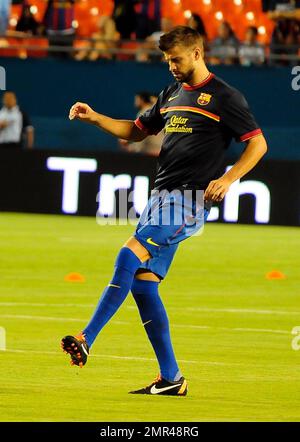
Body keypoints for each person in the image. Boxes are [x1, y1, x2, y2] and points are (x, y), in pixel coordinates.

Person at [62, 26, 267, 396]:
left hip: (188, 202)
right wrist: (95, 118)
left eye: (176, 59)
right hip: (159, 199)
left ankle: (87, 337)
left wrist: (230, 177)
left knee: (128, 254)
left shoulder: (224, 97)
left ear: (197, 54)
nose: (170, 66)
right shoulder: (171, 93)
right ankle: (171, 378)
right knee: (143, 285)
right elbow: (137, 131)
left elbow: (257, 144)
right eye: (167, 60)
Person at [119, 91, 162, 156]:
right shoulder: (154, 111)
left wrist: (132, 148)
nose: (135, 102)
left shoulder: (145, 113)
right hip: (161, 150)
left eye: (137, 100)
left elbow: (142, 134)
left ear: (142, 100)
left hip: (153, 152)